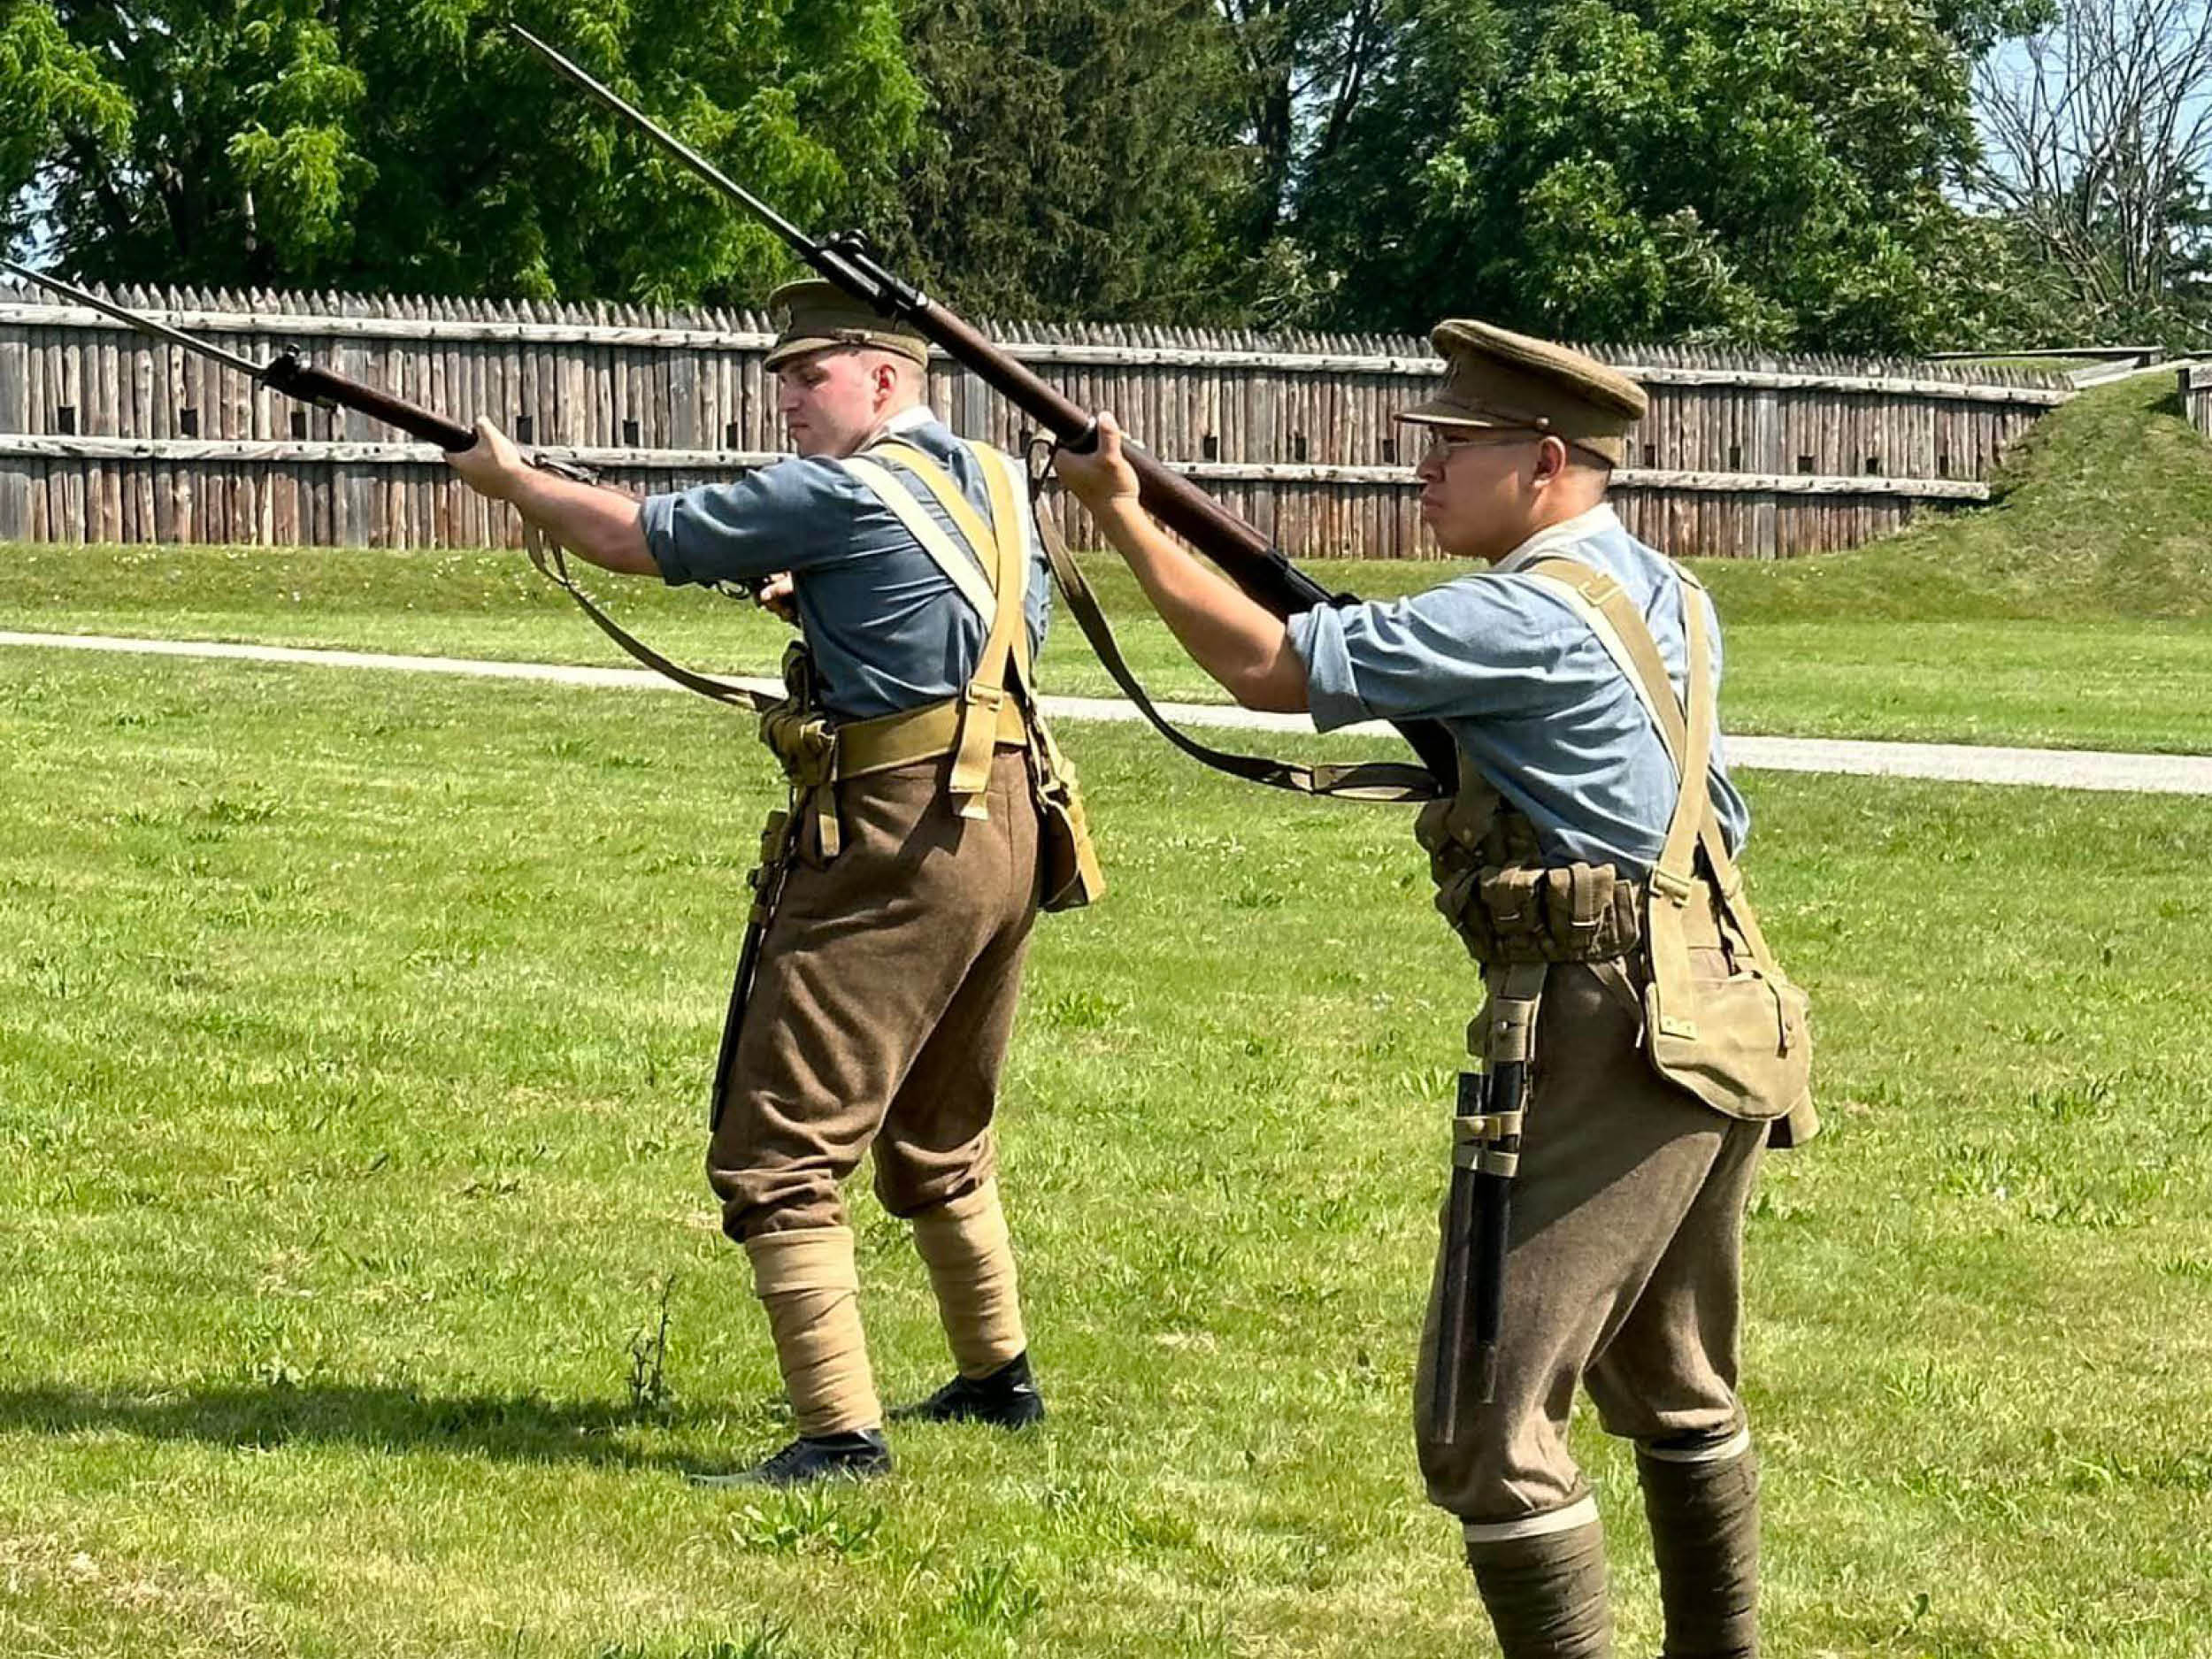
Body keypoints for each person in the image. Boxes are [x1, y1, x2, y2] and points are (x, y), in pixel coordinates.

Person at [1052, 319, 1814, 1658]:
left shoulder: (1522, 608)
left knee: (1487, 1429)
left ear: (1546, 462)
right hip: (1712, 1000)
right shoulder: (1668, 591)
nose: (1427, 471)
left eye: (1454, 448)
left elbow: (1269, 669)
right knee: (1670, 1376)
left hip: (1596, 1020)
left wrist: (1122, 517)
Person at [447, 279, 1087, 1486]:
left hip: (899, 836)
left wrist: (512, 482)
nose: (783, 397)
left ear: (886, 378)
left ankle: (840, 1436)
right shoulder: (998, 484)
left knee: (780, 1145)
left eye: (810, 375)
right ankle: (997, 1377)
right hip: (1011, 823)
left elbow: (634, 536)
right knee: (941, 1125)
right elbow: (977, 625)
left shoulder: (840, 493)